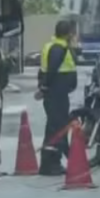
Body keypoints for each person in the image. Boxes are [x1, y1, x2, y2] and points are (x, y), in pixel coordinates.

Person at [36, 20, 79, 175]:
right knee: (57, 129)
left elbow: (43, 71)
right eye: (73, 33)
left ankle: (53, 162)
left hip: (58, 94)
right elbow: (52, 69)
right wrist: (44, 87)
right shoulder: (58, 48)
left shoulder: (57, 46)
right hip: (56, 95)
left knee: (55, 128)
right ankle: (50, 164)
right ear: (68, 34)